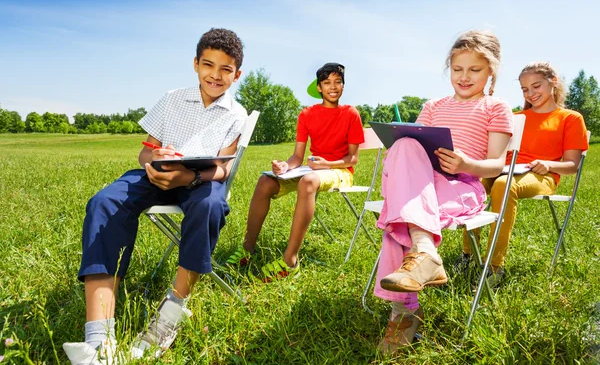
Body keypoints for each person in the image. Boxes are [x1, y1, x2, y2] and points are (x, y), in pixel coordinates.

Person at [63, 28, 248, 364]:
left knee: (210, 205)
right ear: (195, 64)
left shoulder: (236, 114)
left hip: (199, 180)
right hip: (155, 174)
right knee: (104, 202)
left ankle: (170, 315)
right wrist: (155, 162)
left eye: (225, 70)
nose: (215, 75)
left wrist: (189, 175)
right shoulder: (172, 98)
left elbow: (224, 169)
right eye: (208, 65)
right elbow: (145, 152)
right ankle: (99, 339)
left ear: (237, 74)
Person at [373, 30, 514, 354]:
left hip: (464, 186)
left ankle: (403, 314)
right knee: (405, 145)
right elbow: (413, 146)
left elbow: (495, 165)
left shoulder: (495, 106)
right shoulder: (433, 106)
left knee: (401, 211)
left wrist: (466, 163)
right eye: (457, 69)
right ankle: (424, 252)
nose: (464, 77)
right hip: (421, 182)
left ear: (490, 71)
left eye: (474, 70)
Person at [226, 62, 365, 281]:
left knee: (308, 180)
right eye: (327, 82)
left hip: (340, 170)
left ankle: (290, 261)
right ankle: (247, 249)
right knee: (265, 181)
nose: (333, 87)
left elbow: (353, 159)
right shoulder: (307, 114)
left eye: (338, 82)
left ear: (343, 86)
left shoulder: (350, 113)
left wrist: (325, 165)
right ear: (319, 87)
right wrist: (284, 166)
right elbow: (297, 157)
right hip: (312, 168)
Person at [457, 61, 589, 286]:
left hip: (543, 175)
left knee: (503, 186)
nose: (531, 93)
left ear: (553, 82)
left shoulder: (570, 118)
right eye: (525, 89)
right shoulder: (516, 117)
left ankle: (495, 266)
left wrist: (547, 164)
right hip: (506, 169)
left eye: (536, 86)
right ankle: (469, 254)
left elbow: (572, 165)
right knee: (474, 179)